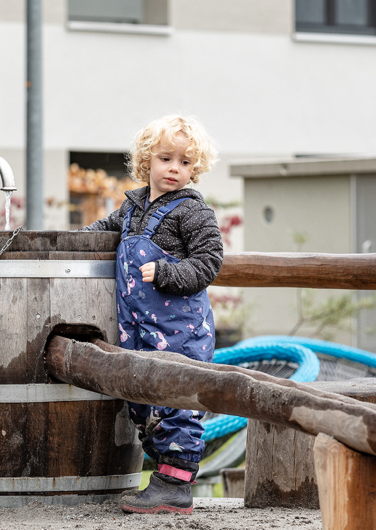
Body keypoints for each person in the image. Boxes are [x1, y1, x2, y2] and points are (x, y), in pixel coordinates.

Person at [80, 115, 222, 515]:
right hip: (139, 329)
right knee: (143, 402)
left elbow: (209, 261)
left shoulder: (192, 213)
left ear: (196, 169)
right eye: (166, 159)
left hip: (181, 331)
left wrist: (167, 273)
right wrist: (71, 243)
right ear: (147, 162)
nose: (175, 168)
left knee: (178, 398)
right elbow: (102, 232)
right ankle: (161, 475)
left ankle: (176, 486)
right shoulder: (131, 208)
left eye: (186, 162)